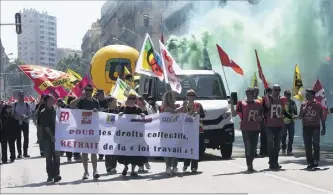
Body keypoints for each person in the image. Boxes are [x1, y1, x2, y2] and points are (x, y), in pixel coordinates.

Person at [70, 84, 100, 180]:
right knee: (84, 152)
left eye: (90, 90)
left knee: (94, 151)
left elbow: (99, 115)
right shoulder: (81, 101)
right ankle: (86, 172)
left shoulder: (96, 102)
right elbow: (71, 105)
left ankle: (95, 170)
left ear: (92, 91)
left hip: (93, 130)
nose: (88, 92)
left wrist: (96, 112)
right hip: (83, 130)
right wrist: (80, 98)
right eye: (87, 90)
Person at [231, 88, 263, 172]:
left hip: (255, 128)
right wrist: (231, 104)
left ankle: (251, 160)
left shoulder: (258, 104)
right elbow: (234, 114)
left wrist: (260, 118)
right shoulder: (241, 104)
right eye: (247, 93)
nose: (248, 95)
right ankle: (249, 164)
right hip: (245, 128)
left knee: (254, 147)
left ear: (253, 94)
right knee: (248, 146)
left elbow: (262, 115)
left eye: (250, 93)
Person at [118, 93, 145, 177]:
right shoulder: (123, 108)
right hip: (125, 135)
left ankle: (133, 170)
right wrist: (120, 115)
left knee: (134, 153)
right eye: (130, 98)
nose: (131, 100)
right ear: (128, 99)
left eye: (133, 99)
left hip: (135, 135)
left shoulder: (138, 109)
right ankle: (125, 167)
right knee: (125, 152)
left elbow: (142, 120)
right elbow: (118, 119)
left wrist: (142, 115)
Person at [299, 89, 326, 169]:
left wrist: (324, 128)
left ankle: (316, 160)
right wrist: (305, 107)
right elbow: (300, 116)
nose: (306, 96)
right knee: (308, 145)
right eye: (306, 94)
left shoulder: (318, 105)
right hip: (306, 127)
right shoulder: (303, 104)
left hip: (315, 127)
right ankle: (309, 162)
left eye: (308, 94)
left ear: (312, 96)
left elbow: (322, 117)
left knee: (316, 144)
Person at [160, 91, 184, 175]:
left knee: (175, 149)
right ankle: (168, 166)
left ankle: (174, 166)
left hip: (175, 131)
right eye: (173, 97)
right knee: (168, 149)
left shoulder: (173, 106)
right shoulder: (166, 107)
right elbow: (173, 112)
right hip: (167, 132)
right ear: (170, 98)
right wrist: (182, 107)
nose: (175, 98)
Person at [262, 84, 286, 170]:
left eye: (278, 90)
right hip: (269, 125)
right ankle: (271, 161)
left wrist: (292, 116)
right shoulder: (267, 99)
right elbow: (267, 107)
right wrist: (267, 97)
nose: (277, 91)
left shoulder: (282, 100)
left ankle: (274, 161)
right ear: (272, 90)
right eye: (275, 90)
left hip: (279, 125)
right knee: (270, 143)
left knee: (277, 146)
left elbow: (284, 111)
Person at [182, 89, 205, 173]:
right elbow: (181, 116)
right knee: (187, 148)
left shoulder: (198, 105)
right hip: (187, 129)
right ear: (187, 96)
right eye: (189, 95)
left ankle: (194, 167)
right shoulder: (184, 104)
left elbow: (203, 115)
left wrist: (198, 114)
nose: (191, 97)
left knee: (196, 148)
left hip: (197, 129)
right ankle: (186, 163)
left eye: (192, 95)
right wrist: (184, 107)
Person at [39, 95, 61, 182]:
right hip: (47, 137)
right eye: (51, 100)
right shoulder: (43, 112)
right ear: (46, 101)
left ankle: (56, 174)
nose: (53, 101)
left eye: (53, 99)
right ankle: (50, 175)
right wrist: (52, 136)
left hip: (57, 137)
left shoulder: (56, 111)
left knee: (57, 156)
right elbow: (46, 126)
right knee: (49, 157)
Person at [12, 91, 31, 158]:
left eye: (22, 95)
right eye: (20, 95)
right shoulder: (15, 104)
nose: (21, 97)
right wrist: (17, 117)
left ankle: (25, 152)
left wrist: (25, 116)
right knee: (18, 138)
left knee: (26, 138)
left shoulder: (27, 104)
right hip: (17, 123)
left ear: (24, 96)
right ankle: (19, 153)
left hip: (25, 122)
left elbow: (29, 114)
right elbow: (13, 114)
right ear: (18, 96)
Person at [103, 96, 119, 174]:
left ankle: (113, 166)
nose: (116, 103)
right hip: (107, 134)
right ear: (110, 102)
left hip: (116, 134)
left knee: (114, 151)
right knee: (108, 150)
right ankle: (108, 166)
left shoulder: (119, 112)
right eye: (115, 102)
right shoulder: (104, 112)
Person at [136, 97, 151, 172]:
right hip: (137, 131)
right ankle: (140, 165)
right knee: (138, 148)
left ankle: (146, 161)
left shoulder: (147, 108)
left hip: (146, 131)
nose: (138, 102)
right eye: (137, 101)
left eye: (140, 100)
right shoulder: (135, 109)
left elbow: (151, 117)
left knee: (144, 147)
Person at [281, 90, 297, 155]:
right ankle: (283, 148)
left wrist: (293, 113)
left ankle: (289, 150)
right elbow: (282, 111)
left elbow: (295, 112)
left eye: (289, 94)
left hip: (291, 122)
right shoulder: (282, 102)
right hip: (284, 121)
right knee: (283, 136)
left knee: (291, 136)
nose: (288, 96)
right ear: (284, 95)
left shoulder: (292, 102)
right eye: (287, 94)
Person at [253, 87, 267, 157]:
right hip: (252, 120)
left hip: (260, 120)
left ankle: (262, 151)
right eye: (255, 91)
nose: (256, 92)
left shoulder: (260, 99)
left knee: (263, 136)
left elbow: (263, 109)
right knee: (254, 137)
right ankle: (253, 151)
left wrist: (262, 117)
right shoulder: (249, 99)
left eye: (257, 91)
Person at [95, 89, 107, 161]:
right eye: (96, 95)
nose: (97, 96)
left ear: (102, 94)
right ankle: (100, 154)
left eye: (98, 94)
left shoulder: (108, 101)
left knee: (106, 139)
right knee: (99, 139)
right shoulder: (96, 102)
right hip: (98, 123)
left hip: (107, 123)